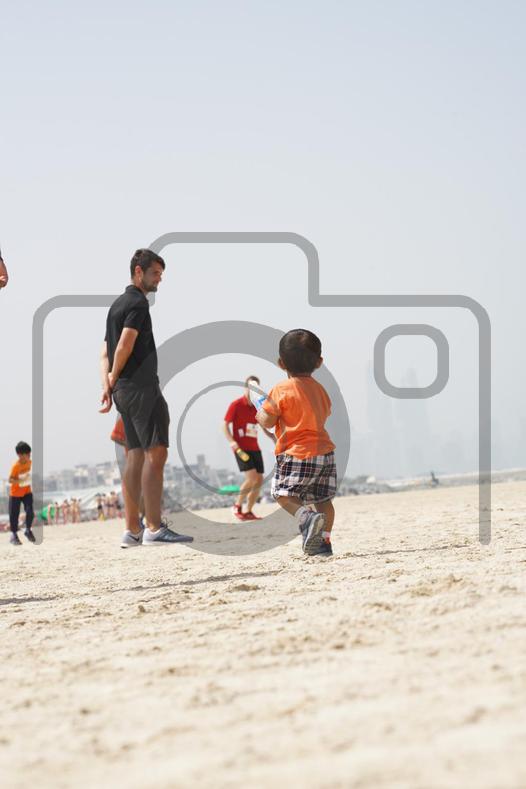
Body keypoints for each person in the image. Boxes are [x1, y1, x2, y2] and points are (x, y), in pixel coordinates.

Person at [100, 248, 192, 548]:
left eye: (161, 275)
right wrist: (114, 376)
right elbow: (124, 345)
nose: (159, 280)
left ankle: (132, 530)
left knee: (135, 456)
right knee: (157, 453)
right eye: (155, 273)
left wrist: (108, 384)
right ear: (138, 272)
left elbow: (104, 352)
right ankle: (153, 527)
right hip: (140, 387)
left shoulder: (116, 305)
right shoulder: (138, 302)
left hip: (123, 391)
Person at [256, 329, 337, 556]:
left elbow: (268, 420)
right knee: (324, 500)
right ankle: (324, 542)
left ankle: (307, 518)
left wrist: (260, 413)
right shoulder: (320, 390)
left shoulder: (280, 389)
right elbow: (324, 413)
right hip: (325, 453)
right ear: (319, 362)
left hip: (296, 452)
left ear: (281, 363)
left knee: (282, 494)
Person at [223, 375, 275, 521]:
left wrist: (273, 437)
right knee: (251, 478)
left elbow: (263, 426)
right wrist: (232, 443)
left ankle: (248, 511)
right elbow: (224, 425)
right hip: (241, 448)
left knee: (259, 480)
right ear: (245, 388)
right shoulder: (236, 404)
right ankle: (237, 506)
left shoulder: (258, 407)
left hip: (255, 447)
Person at [7, 441, 35, 545]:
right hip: (15, 494)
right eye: (27, 454)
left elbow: (28, 473)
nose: (29, 455)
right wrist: (20, 481)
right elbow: (10, 480)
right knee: (14, 515)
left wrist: (28, 478)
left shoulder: (29, 462)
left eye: (29, 453)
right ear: (20, 455)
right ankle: (14, 535)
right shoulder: (15, 466)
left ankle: (28, 530)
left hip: (27, 491)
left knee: (30, 511)